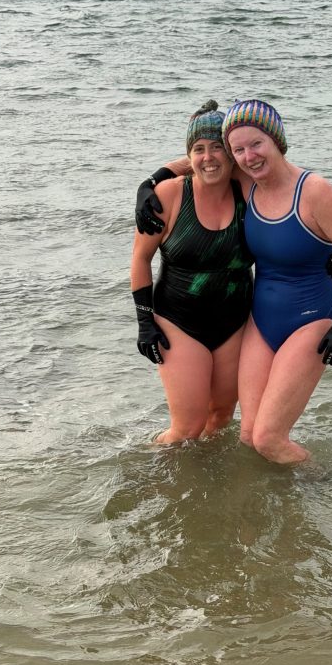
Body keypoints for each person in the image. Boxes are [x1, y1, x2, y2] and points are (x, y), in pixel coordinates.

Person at [135, 99, 332, 465]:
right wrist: (152, 181)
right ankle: (232, 493)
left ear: (277, 140)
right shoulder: (243, 182)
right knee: (245, 435)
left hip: (302, 319)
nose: (248, 156)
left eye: (257, 144)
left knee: (266, 438)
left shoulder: (297, 189)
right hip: (255, 321)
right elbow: (201, 157)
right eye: (241, 149)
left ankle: (326, 489)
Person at [130, 101, 253, 444]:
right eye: (199, 149)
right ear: (188, 155)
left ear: (231, 155)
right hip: (178, 321)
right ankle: (155, 478)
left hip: (235, 322)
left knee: (222, 416)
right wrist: (144, 322)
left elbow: (293, 199)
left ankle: (207, 488)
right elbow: (141, 260)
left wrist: (326, 248)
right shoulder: (168, 195)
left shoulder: (248, 190)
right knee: (186, 428)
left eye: (217, 148)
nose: (208, 157)